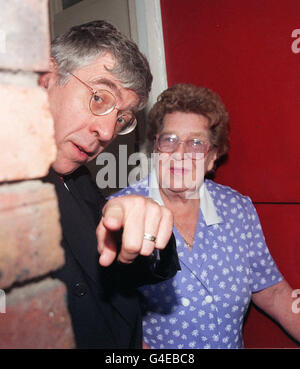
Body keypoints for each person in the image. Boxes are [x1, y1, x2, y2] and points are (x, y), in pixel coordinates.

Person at [112, 83, 300, 349]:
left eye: (196, 143)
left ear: (212, 158)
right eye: (170, 140)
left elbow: (272, 291)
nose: (180, 154)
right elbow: (107, 319)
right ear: (156, 147)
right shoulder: (121, 210)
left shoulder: (237, 209)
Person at [39, 20, 179, 349]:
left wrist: (149, 229)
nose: (106, 131)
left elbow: (118, 274)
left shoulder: (80, 180)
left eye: (122, 118)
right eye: (100, 98)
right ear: (46, 78)